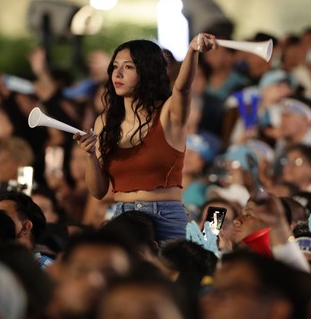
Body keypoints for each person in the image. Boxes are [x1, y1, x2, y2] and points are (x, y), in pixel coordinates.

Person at [74, 34, 218, 241]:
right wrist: (90, 155)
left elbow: (182, 87)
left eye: (129, 67)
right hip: (123, 217)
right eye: (115, 66)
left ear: (147, 72)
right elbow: (98, 192)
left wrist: (192, 51)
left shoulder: (169, 113)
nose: (119, 73)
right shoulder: (104, 122)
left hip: (165, 218)